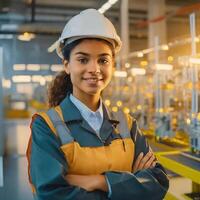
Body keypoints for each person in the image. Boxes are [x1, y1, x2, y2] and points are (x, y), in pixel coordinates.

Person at [26, 8, 169, 200]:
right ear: (67, 64)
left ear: (113, 64)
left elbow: (158, 181)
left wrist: (100, 182)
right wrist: (129, 184)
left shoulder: (126, 124)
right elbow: (51, 194)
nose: (94, 69)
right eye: (83, 59)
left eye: (103, 60)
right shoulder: (46, 126)